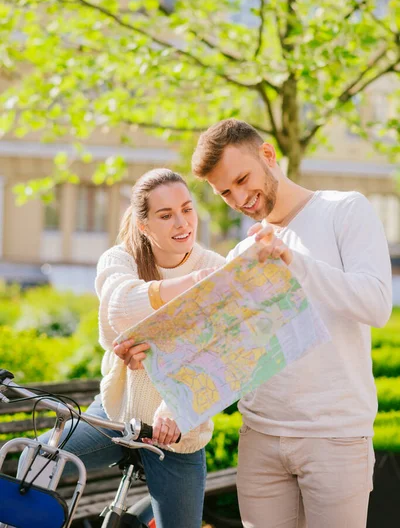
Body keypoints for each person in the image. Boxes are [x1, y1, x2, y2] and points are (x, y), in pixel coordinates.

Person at [118, 119, 393, 528]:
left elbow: (376, 305)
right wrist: (152, 355)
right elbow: (216, 348)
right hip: (260, 439)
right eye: (226, 192)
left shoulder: (344, 210)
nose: (241, 198)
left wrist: (292, 261)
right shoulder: (245, 252)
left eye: (243, 180)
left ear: (268, 155)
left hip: (335, 437)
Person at [28, 168, 225, 528]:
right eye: (165, 215)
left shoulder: (216, 268)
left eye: (187, 209)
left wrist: (174, 403)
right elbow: (119, 308)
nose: (182, 223)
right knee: (31, 464)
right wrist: (193, 285)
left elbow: (216, 356)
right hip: (116, 417)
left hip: (178, 433)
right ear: (144, 224)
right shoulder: (121, 259)